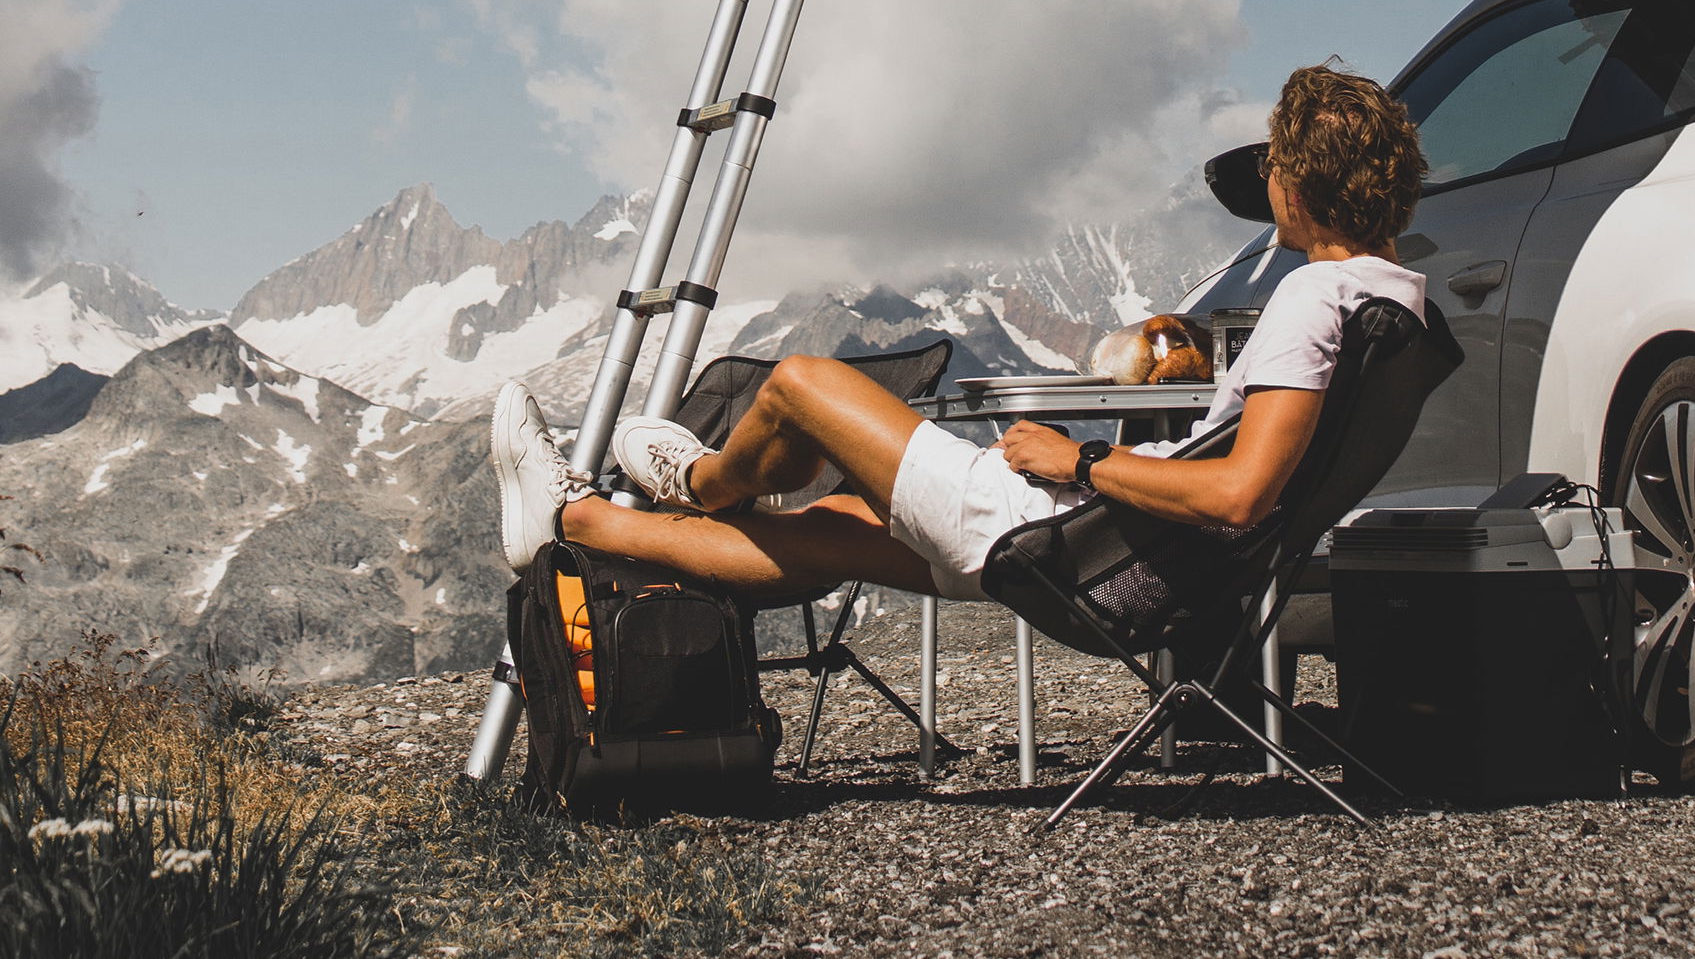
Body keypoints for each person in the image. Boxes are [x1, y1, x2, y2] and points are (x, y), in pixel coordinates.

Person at [492, 63, 1427, 601]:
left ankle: (693, 480)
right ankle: (574, 520)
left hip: (1063, 533)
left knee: (799, 386)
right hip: (1114, 555)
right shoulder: (1396, 301)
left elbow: (1238, 496)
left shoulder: (1316, 297)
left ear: (1297, 189)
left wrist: (1079, 464)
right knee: (827, 532)